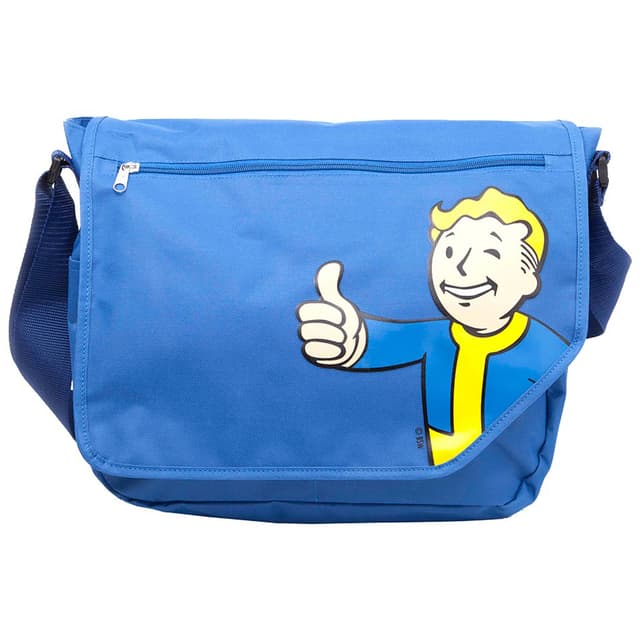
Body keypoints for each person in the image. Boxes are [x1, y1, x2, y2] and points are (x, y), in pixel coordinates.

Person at [296, 187, 568, 465]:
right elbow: (381, 341)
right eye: (449, 250)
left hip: (496, 468)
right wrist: (349, 339)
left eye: (489, 252)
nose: (461, 267)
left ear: (529, 278)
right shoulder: (434, 336)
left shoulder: (542, 345)